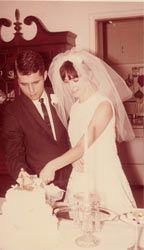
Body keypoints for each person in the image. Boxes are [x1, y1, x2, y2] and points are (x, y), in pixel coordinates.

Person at [39, 48, 137, 214]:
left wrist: (52, 165)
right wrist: (72, 158)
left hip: (103, 173)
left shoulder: (103, 105)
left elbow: (84, 144)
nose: (70, 86)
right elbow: (76, 141)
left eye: (75, 80)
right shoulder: (76, 107)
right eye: (66, 82)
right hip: (82, 173)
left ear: (89, 76)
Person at [3, 49, 72, 191]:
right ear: (17, 80)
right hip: (42, 186)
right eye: (24, 84)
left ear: (45, 75)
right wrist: (24, 176)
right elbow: (14, 154)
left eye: (35, 82)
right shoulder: (13, 111)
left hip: (76, 178)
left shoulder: (64, 96)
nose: (31, 90)